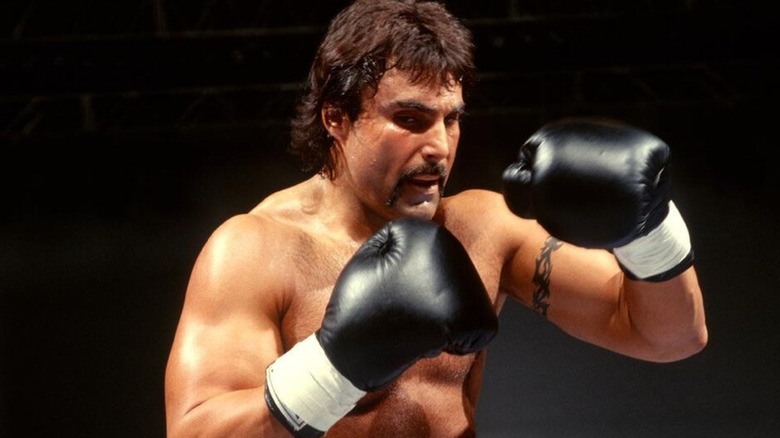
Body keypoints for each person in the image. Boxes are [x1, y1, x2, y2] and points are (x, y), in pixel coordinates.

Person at [164, 1, 708, 437]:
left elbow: (670, 337)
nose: (439, 147)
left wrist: (649, 231)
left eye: (451, 120)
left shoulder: (481, 227)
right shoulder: (254, 250)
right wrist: (334, 368)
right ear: (336, 116)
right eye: (409, 118)